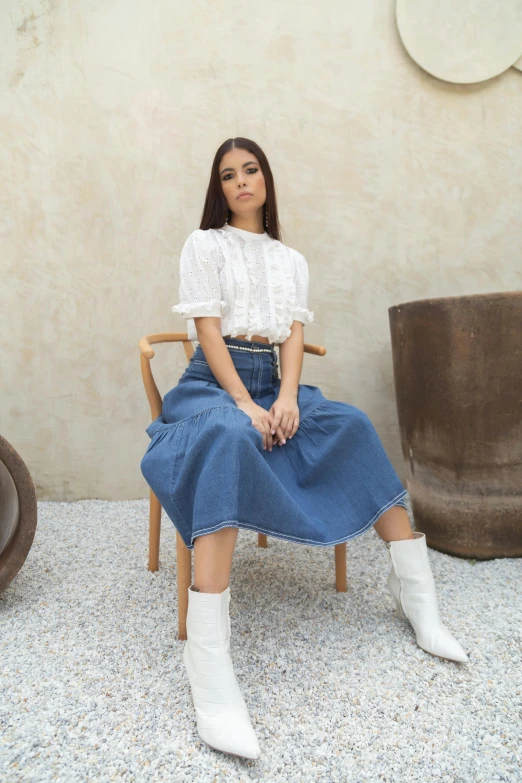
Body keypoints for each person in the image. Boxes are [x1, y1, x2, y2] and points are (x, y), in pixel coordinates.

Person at [141, 137, 468, 761]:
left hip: (274, 379)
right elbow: (208, 332)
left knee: (349, 423)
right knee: (231, 436)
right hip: (214, 385)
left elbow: (292, 335)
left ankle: (417, 597)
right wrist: (244, 402)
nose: (241, 182)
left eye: (251, 170)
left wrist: (287, 396)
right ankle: (207, 661)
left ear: (266, 179)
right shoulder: (203, 245)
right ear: (219, 187)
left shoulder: (290, 259)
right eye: (229, 174)